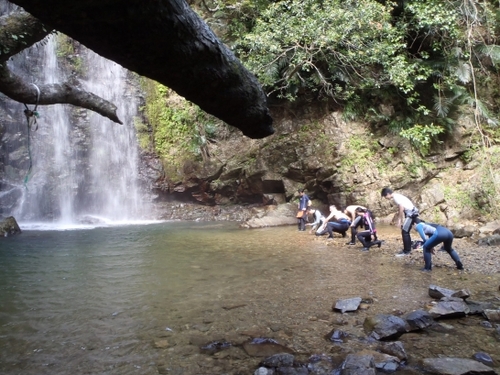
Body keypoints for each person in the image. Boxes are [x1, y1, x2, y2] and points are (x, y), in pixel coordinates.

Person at [381, 187, 419, 256]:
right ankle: (409, 246)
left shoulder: (396, 197)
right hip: (412, 212)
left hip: (411, 213)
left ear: (387, 194)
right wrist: (402, 220)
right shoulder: (397, 196)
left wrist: (399, 220)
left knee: (404, 232)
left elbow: (401, 208)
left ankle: (406, 251)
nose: (385, 198)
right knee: (410, 229)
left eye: (385, 196)